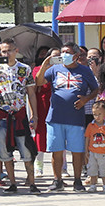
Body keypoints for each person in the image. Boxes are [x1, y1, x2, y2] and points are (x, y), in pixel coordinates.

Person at [0, 39, 39, 194]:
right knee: (4, 151)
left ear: (16, 50)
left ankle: (32, 183)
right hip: (1, 115)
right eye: (3, 51)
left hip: (19, 114)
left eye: (9, 50)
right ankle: (12, 183)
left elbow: (31, 93)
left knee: (27, 150)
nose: (6, 54)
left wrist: (34, 115)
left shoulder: (24, 69)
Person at [35, 44, 99, 192]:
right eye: (62, 52)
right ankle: (57, 180)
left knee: (77, 151)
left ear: (76, 56)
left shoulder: (84, 70)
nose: (64, 55)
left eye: (67, 52)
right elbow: (38, 82)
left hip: (75, 118)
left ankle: (77, 181)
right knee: (56, 150)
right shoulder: (54, 69)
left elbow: (95, 89)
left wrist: (86, 99)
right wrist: (45, 65)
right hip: (55, 116)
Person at [32, 47, 59, 177]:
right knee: (40, 134)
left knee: (59, 135)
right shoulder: (38, 69)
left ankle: (62, 167)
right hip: (43, 104)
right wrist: (45, 66)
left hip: (59, 105)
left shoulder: (65, 70)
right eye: (53, 56)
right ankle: (39, 166)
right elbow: (36, 83)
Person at [84, 101, 105, 192]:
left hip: (104, 152)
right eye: (94, 114)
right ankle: (93, 185)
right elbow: (87, 138)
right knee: (92, 169)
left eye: (99, 114)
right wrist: (86, 151)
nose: (97, 116)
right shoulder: (90, 125)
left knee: (104, 170)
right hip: (92, 152)